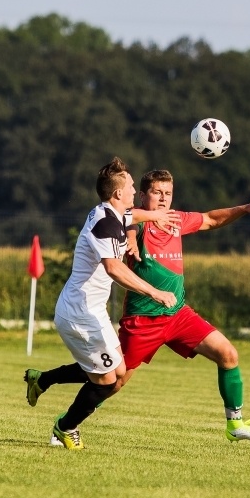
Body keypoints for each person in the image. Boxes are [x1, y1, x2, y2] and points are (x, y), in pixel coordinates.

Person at [27, 168, 250, 444]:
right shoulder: (130, 222)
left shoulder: (174, 219)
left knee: (227, 354)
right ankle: (63, 416)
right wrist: (132, 237)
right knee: (113, 381)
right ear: (143, 196)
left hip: (178, 315)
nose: (163, 198)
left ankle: (235, 424)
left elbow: (209, 219)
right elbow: (129, 221)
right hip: (143, 320)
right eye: (156, 192)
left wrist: (245, 208)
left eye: (168, 193)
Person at [25, 157, 179, 450]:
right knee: (108, 381)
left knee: (117, 371)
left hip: (91, 311)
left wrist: (154, 216)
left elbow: (132, 215)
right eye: (131, 186)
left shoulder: (112, 212)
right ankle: (65, 428)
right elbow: (114, 268)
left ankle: (42, 380)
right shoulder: (106, 223)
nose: (134, 190)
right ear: (118, 193)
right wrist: (154, 292)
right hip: (79, 314)